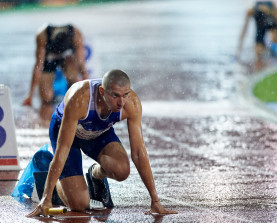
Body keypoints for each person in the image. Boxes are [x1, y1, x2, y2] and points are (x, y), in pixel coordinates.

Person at [27, 69, 177, 217]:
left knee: (122, 170)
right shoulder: (80, 99)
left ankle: (95, 174)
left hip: (98, 133)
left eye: (125, 95)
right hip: (68, 135)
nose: (121, 102)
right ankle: (55, 181)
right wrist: (45, 198)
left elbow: (138, 152)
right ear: (101, 91)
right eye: (115, 96)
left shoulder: (131, 103)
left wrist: (155, 200)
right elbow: (63, 150)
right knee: (79, 204)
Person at [23, 24, 89, 123]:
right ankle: (46, 125)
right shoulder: (42, 36)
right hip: (49, 57)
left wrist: (88, 91)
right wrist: (30, 95)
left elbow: (82, 65)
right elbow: (38, 67)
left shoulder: (76, 35)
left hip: (68, 58)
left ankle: (75, 122)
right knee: (46, 98)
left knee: (75, 89)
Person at [236, 1, 277, 69]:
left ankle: (276, 54)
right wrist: (239, 49)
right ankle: (261, 64)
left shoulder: (272, 8)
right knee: (258, 52)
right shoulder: (251, 11)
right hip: (261, 29)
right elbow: (244, 31)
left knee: (275, 39)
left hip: (272, 25)